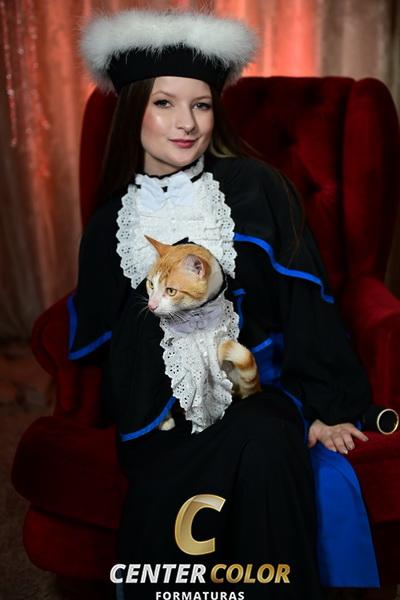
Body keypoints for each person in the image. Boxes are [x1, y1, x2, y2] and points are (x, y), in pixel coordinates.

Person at [70, 8, 381, 599]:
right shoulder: (111, 222)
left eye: (202, 105)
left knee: (264, 443)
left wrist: (327, 407)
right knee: (170, 479)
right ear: (133, 109)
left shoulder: (258, 186)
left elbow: (307, 303)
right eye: (165, 103)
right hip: (156, 415)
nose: (187, 123)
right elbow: (103, 342)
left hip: (259, 394)